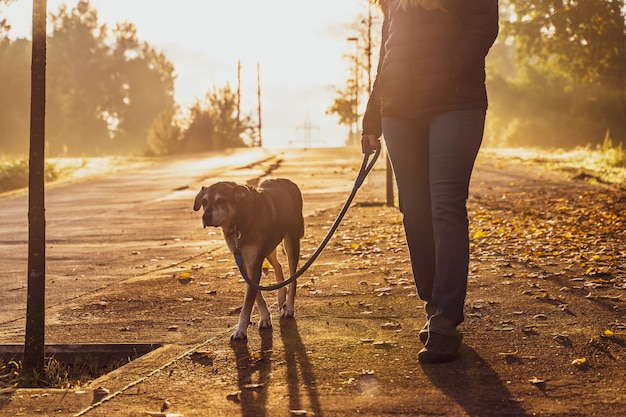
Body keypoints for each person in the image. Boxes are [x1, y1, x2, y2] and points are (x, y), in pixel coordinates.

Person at [362, 0, 499, 363]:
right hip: (398, 111)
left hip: (454, 104)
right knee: (414, 211)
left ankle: (446, 319)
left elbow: (484, 24)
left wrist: (451, 71)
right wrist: (372, 119)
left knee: (445, 205)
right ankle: (434, 302)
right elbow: (386, 52)